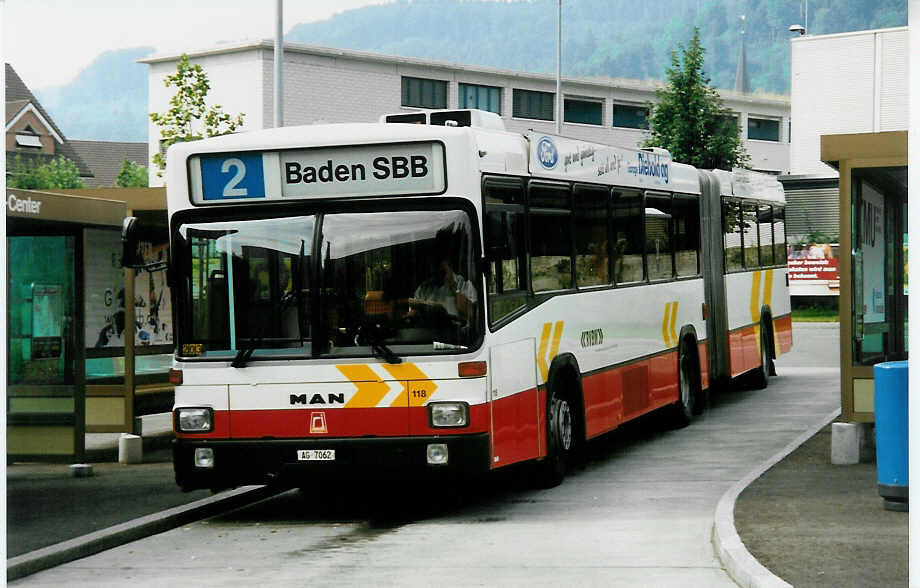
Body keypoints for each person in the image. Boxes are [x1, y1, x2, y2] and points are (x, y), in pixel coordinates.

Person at [409, 258, 477, 320]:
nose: (435, 271)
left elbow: (472, 312)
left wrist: (452, 285)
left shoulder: (463, 284)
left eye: (441, 268)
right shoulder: (423, 289)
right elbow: (414, 313)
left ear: (450, 266)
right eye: (433, 267)